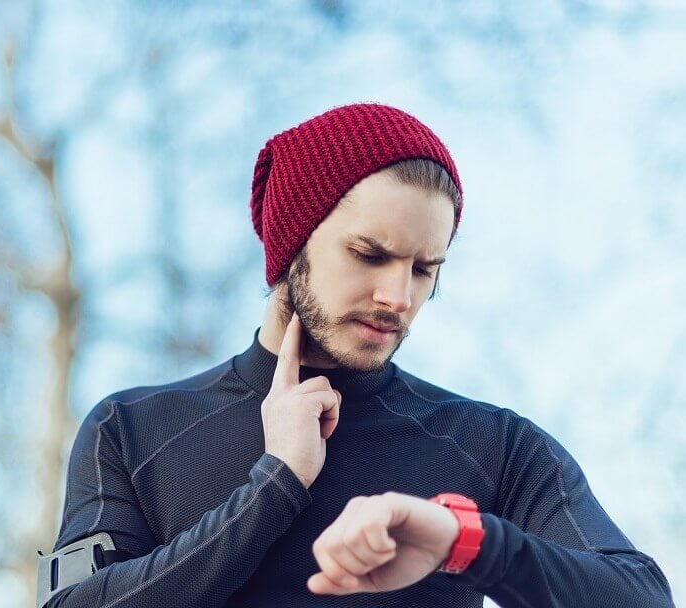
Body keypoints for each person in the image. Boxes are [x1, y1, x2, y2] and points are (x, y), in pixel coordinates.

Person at [37, 103, 674, 608]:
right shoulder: (131, 429)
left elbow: (641, 597)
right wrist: (275, 485)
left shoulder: (493, 445)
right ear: (292, 246)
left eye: (425, 270)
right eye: (370, 255)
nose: (398, 296)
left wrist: (467, 539)